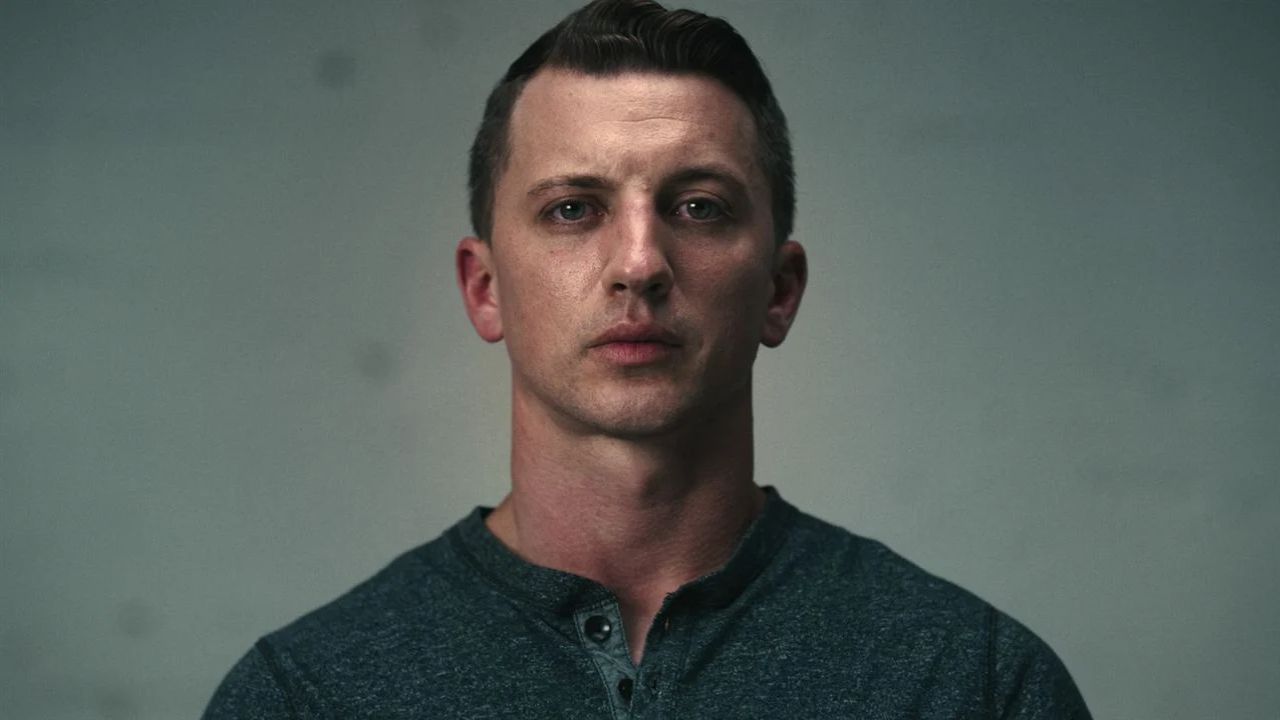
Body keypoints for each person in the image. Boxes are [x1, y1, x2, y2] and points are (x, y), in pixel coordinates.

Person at [203, 1, 1092, 717]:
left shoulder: (974, 685)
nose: (639, 263)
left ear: (780, 290)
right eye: (573, 209)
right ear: (485, 289)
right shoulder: (306, 697)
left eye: (699, 206)